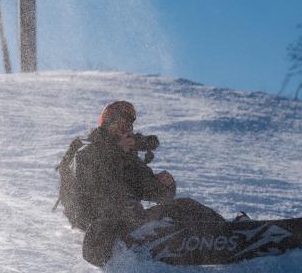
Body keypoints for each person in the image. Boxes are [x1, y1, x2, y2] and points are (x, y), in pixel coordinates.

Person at [63, 100, 226, 233]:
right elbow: (90, 184)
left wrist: (165, 185)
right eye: (120, 126)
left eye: (128, 127)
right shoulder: (86, 149)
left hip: (133, 224)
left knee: (184, 205)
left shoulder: (129, 160)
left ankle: (225, 232)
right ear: (107, 126)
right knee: (124, 205)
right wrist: (115, 149)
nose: (125, 131)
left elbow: (158, 195)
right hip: (99, 226)